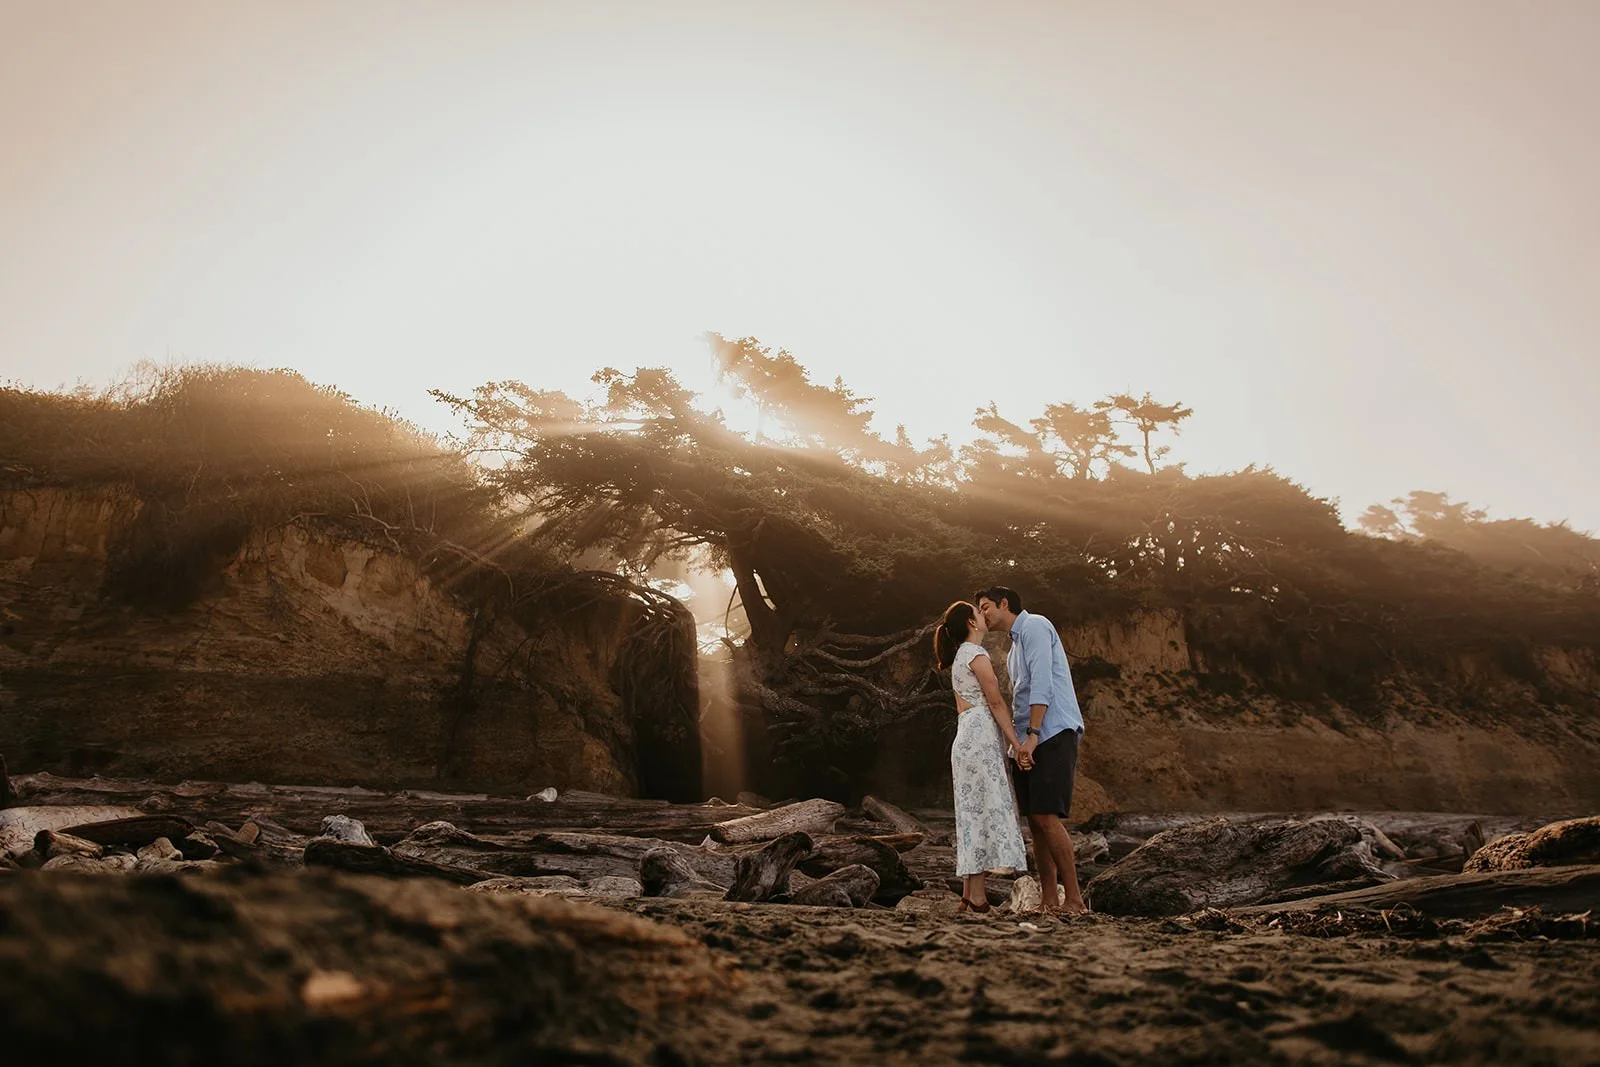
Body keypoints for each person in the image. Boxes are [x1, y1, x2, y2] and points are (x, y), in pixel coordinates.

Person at [974, 586, 1088, 914]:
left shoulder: (1036, 625)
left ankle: (1076, 899)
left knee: (1046, 816)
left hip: (1052, 733)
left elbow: (1042, 684)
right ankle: (1049, 900)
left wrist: (1034, 735)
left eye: (986, 608)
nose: (983, 615)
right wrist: (1019, 746)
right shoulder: (1012, 650)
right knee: (1034, 823)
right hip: (1028, 740)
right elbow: (1019, 699)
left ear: (1004, 604)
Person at [934, 600, 1028, 913]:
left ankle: (971, 895)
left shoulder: (961, 655)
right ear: (972, 623)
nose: (982, 614)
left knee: (972, 814)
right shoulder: (975, 654)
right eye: (978, 612)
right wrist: (1016, 741)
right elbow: (997, 703)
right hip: (980, 735)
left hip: (967, 735)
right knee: (983, 811)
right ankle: (975, 896)